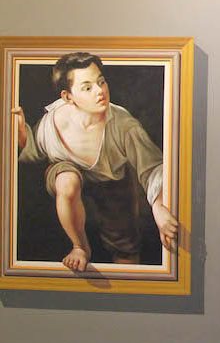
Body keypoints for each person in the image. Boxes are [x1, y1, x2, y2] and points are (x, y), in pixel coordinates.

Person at [12, 52, 178, 272]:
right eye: (87, 87)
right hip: (69, 176)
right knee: (66, 181)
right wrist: (21, 136)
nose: (100, 91)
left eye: (101, 82)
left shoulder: (123, 124)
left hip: (113, 181)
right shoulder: (53, 122)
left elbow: (152, 167)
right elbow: (34, 152)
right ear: (68, 97)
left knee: (126, 246)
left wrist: (158, 207)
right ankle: (80, 247)